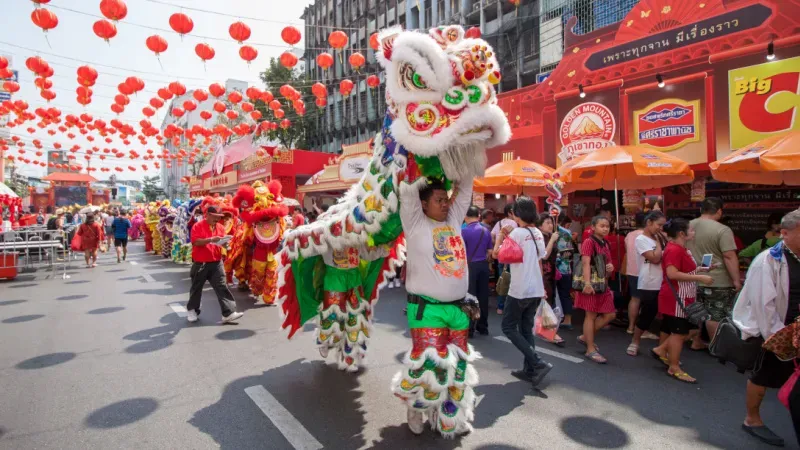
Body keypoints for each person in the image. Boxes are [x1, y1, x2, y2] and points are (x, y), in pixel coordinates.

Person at [391, 179, 478, 438]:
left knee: (456, 368)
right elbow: (406, 187)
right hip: (427, 310)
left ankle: (449, 418)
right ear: (423, 204)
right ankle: (415, 408)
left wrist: (464, 158)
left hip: (459, 310)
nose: (445, 203)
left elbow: (465, 191)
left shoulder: (452, 222)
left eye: (445, 198)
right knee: (427, 367)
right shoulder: (416, 223)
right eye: (438, 200)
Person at [733, 209, 800, 447]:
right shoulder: (769, 260)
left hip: (795, 330)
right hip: (774, 332)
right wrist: (779, 337)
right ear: (785, 233)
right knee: (763, 376)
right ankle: (752, 419)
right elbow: (764, 306)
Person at [495, 198, 554, 386]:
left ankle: (537, 362)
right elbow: (541, 258)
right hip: (535, 288)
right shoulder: (537, 232)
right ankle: (529, 370)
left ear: (517, 214)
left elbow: (498, 255)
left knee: (508, 327)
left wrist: (500, 238)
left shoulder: (517, 234)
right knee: (526, 329)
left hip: (519, 289)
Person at [651, 218, 713, 384]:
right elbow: (672, 274)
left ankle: (661, 349)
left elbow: (683, 270)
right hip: (676, 297)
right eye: (691, 230)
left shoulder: (680, 249)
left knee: (688, 331)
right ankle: (674, 366)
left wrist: (699, 269)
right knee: (679, 333)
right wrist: (700, 276)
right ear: (681, 233)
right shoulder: (674, 249)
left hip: (684, 297)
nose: (693, 232)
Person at [186, 205, 244, 324]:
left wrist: (225, 245)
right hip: (201, 262)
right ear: (207, 215)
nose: (217, 219)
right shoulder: (197, 226)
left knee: (222, 286)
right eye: (215, 216)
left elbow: (220, 242)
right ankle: (192, 310)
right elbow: (196, 242)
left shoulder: (221, 227)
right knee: (197, 288)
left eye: (219, 217)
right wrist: (211, 239)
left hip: (216, 262)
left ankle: (228, 313)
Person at [687, 198, 741, 325]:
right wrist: (736, 281)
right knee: (714, 315)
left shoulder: (686, 226)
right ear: (719, 211)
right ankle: (714, 344)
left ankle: (696, 341)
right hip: (717, 280)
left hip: (691, 277)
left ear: (701, 209)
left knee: (697, 311)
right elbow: (729, 256)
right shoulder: (722, 230)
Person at [574, 215, 616, 364]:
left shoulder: (605, 243)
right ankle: (590, 349)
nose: (605, 228)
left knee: (610, 314)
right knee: (590, 315)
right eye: (602, 226)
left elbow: (607, 266)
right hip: (591, 283)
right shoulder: (589, 242)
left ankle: (586, 336)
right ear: (593, 227)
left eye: (607, 226)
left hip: (602, 283)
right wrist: (587, 283)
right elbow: (585, 263)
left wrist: (610, 268)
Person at [627, 211, 666, 357]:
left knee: (666, 316)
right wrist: (658, 244)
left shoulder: (660, 238)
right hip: (649, 281)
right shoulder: (641, 239)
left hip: (664, 280)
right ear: (649, 222)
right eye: (659, 225)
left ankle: (663, 348)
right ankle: (635, 341)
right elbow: (654, 258)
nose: (660, 229)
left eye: (662, 225)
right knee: (648, 313)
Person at [462, 206, 493, 337]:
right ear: (479, 216)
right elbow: (490, 252)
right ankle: (483, 326)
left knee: (470, 296)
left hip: (470, 267)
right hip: (483, 266)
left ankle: (469, 328)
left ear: (466, 216)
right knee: (483, 297)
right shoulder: (486, 231)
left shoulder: (463, 231)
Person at [492, 203, 517, 314]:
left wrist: (498, 243)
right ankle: (510, 306)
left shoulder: (499, 223)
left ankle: (500, 307)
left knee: (502, 279)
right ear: (510, 212)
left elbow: (492, 235)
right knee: (512, 281)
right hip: (512, 256)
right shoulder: (514, 223)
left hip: (500, 254)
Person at [624, 213, 645, 335]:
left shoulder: (629, 235)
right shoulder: (646, 236)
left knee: (635, 299)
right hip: (644, 271)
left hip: (631, 270)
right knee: (646, 301)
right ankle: (642, 329)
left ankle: (631, 326)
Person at [555, 214, 577, 330]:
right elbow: (570, 252)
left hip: (554, 268)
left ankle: (552, 320)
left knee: (553, 294)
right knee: (565, 294)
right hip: (566, 267)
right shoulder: (567, 232)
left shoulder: (551, 233)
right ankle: (567, 320)